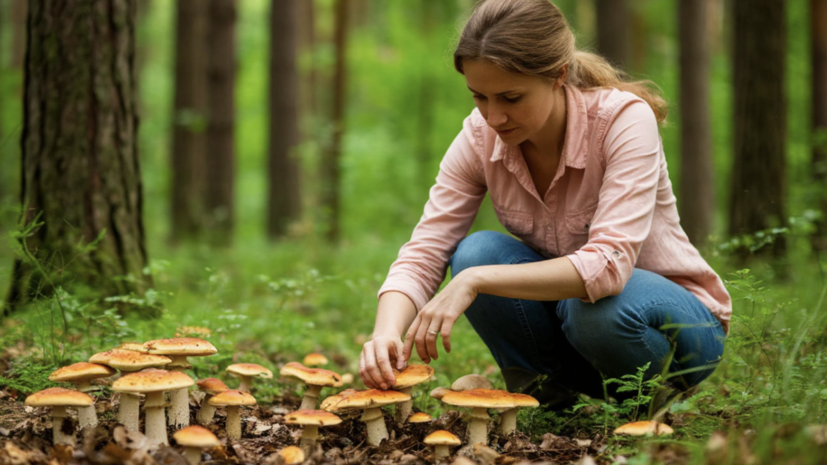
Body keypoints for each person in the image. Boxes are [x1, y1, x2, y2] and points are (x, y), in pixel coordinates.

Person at [359, 0, 730, 408]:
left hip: (676, 330)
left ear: (558, 76)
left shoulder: (624, 121)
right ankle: (546, 395)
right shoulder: (479, 136)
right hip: (574, 326)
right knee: (476, 252)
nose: (493, 117)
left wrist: (474, 281)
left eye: (511, 98)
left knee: (591, 307)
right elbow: (426, 248)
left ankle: (651, 402)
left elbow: (608, 266)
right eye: (479, 97)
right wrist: (385, 333)